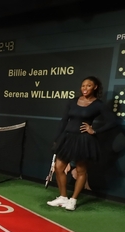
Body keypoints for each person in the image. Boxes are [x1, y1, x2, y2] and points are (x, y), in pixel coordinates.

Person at [47, 76, 117, 211]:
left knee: (81, 170)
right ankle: (62, 197)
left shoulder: (98, 105)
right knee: (59, 167)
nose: (85, 88)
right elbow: (63, 121)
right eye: (83, 85)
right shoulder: (73, 102)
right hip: (67, 139)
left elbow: (112, 122)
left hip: (84, 140)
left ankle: (73, 200)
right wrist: (57, 138)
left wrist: (94, 131)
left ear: (95, 87)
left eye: (89, 85)